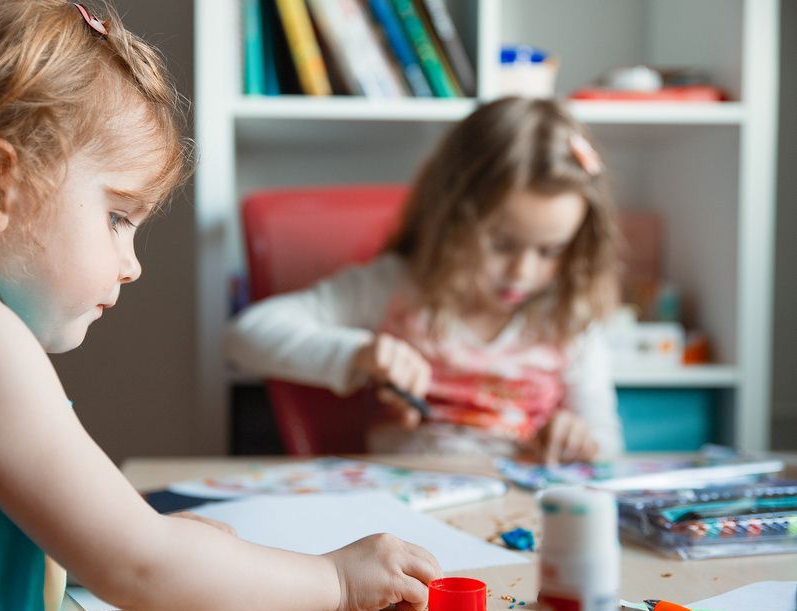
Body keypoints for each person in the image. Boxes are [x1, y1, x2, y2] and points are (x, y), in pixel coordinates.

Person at [0, 2, 441, 611]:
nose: (132, 266)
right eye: (118, 217)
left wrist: (139, 539)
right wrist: (336, 579)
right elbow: (146, 568)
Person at [226, 97, 624, 464]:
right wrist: (359, 354)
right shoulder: (396, 288)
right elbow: (246, 336)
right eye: (501, 245)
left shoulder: (569, 319)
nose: (522, 271)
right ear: (450, 218)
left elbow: (607, 443)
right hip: (407, 513)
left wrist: (580, 439)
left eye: (550, 251)